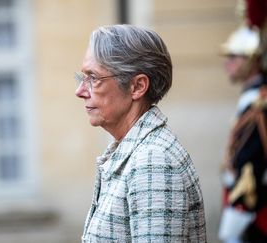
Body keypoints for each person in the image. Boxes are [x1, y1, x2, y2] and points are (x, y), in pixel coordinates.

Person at [75, 24, 206, 242]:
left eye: (94, 78)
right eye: (82, 77)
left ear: (137, 86)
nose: (80, 91)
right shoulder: (135, 151)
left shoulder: (154, 160)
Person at [218, 25, 267, 243]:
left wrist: (240, 208)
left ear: (253, 60)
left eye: (235, 56)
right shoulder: (252, 98)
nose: (227, 63)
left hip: (254, 206)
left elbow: (252, 160)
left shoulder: (260, 103)